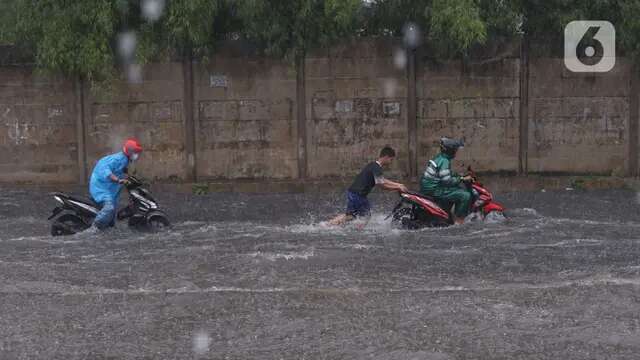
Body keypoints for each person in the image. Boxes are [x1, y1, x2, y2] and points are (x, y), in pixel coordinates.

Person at [329, 146, 408, 226]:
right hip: (358, 195)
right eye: (391, 159)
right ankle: (355, 229)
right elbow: (381, 185)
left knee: (354, 216)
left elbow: (382, 180)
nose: (391, 162)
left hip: (355, 193)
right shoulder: (376, 167)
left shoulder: (373, 165)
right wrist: (397, 187)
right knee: (362, 216)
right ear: (386, 157)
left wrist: (398, 184)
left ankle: (330, 224)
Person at [89, 138, 143, 230]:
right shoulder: (118, 159)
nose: (136, 155)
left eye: (137, 152)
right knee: (109, 208)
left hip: (109, 189)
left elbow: (121, 171)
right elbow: (106, 170)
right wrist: (118, 180)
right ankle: (94, 227)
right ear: (129, 151)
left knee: (112, 218)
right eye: (135, 152)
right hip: (101, 188)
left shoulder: (125, 160)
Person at [420, 137, 472, 225]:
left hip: (430, 187)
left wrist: (458, 175)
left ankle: (448, 214)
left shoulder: (440, 157)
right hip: (435, 190)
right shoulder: (444, 161)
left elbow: (445, 175)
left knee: (456, 189)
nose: (456, 151)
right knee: (465, 195)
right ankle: (459, 222)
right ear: (450, 150)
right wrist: (462, 178)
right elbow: (447, 181)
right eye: (455, 149)